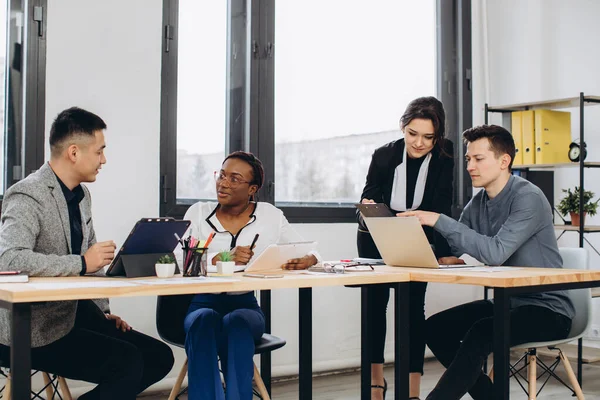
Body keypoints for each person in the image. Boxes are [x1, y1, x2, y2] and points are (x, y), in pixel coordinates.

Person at [0, 107, 174, 400]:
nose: (104, 160)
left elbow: (91, 267)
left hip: (75, 314)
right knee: (127, 362)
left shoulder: (82, 196)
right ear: (73, 152)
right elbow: (9, 259)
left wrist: (103, 312)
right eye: (99, 151)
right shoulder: (27, 194)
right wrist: (81, 262)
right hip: (31, 329)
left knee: (158, 357)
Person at [399, 125, 575, 400]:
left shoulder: (527, 197)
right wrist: (422, 249)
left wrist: (438, 219)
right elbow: (457, 243)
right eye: (469, 159)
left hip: (549, 309)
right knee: (434, 329)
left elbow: (495, 252)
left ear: (504, 161)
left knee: (481, 332)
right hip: (507, 304)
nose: (470, 166)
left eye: (478, 159)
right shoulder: (479, 202)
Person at [182, 151, 319, 400]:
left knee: (238, 324)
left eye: (234, 179)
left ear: (252, 188)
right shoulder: (198, 213)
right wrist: (223, 257)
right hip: (202, 301)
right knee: (202, 322)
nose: (223, 183)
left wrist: (309, 258)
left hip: (245, 304)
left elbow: (307, 248)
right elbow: (181, 259)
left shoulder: (270, 216)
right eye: (222, 175)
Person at [356, 96, 454, 400]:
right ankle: (376, 383)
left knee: (413, 311)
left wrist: (440, 252)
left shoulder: (445, 157)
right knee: (374, 308)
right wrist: (366, 207)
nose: (419, 143)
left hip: (419, 238)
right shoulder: (384, 155)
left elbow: (442, 208)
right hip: (377, 238)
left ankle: (412, 391)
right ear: (402, 126)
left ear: (438, 136)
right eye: (412, 134)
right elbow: (365, 200)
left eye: (428, 137)